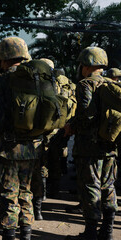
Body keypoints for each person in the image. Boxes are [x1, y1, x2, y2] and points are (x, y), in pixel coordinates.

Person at [0, 37, 45, 240]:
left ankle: (9, 235)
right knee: (26, 191)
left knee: (8, 193)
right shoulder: (36, 79)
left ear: (3, 58)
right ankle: (26, 233)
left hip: (7, 148)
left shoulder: (0, 81)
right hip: (33, 147)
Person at [65, 47, 118, 240]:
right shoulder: (111, 84)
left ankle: (90, 233)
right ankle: (108, 231)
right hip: (110, 146)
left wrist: (72, 126)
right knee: (108, 186)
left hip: (90, 147)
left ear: (86, 65)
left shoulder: (86, 84)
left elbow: (86, 115)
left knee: (91, 187)